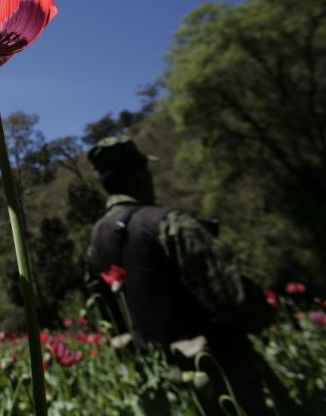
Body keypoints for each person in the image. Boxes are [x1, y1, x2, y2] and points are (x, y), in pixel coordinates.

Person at [85, 136, 299, 415]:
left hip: (162, 390)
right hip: (221, 378)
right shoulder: (167, 223)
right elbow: (234, 296)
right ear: (138, 174)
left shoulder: (95, 244)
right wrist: (269, 316)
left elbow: (107, 321)